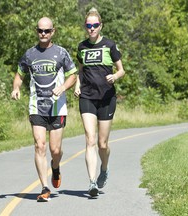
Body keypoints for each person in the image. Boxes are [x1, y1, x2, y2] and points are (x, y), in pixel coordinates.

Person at [11, 17, 77, 202]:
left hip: (57, 107)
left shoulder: (61, 53)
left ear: (53, 32)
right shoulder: (30, 54)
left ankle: (55, 167)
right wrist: (16, 88)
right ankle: (45, 187)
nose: (43, 34)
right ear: (36, 31)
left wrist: (63, 87)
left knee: (55, 150)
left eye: (47, 31)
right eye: (40, 30)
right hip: (37, 106)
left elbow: (73, 75)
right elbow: (19, 74)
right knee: (40, 145)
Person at [74, 8, 125, 197]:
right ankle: (92, 182)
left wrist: (115, 76)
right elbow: (80, 70)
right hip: (87, 96)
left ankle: (104, 168)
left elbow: (121, 70)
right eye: (89, 26)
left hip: (106, 97)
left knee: (103, 144)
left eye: (95, 25)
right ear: (85, 27)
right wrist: (77, 86)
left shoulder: (109, 45)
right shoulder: (82, 47)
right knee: (90, 140)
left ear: (100, 26)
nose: (92, 28)